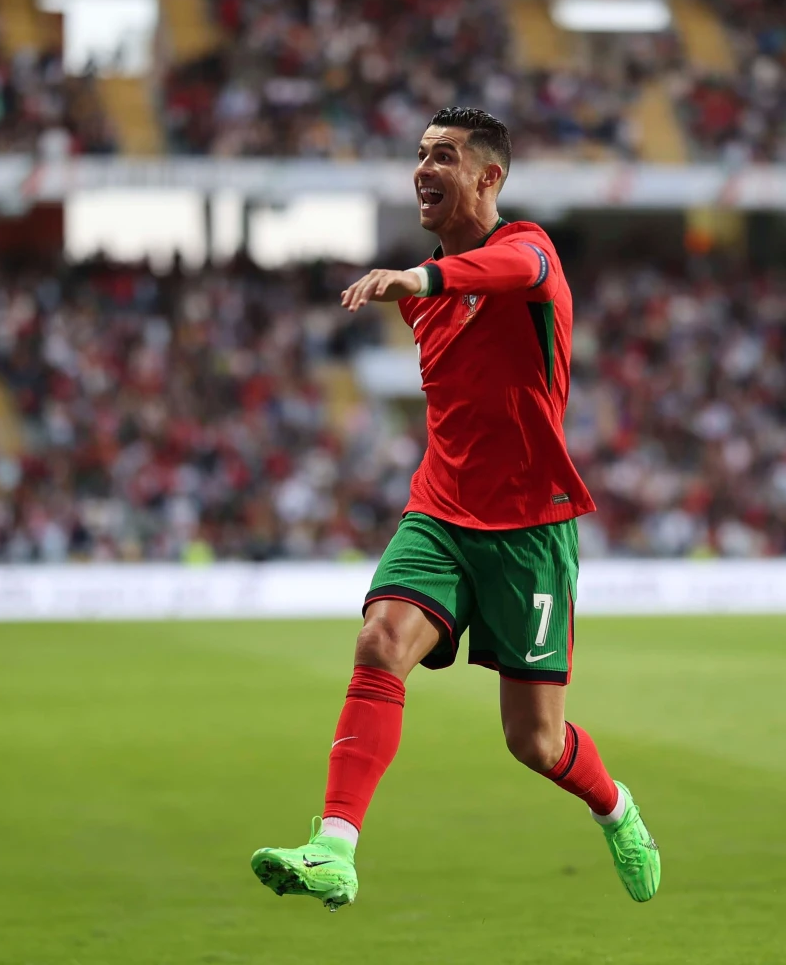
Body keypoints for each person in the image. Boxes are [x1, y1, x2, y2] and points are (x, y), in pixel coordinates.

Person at [250, 107, 661, 910]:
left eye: (443, 155)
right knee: (379, 642)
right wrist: (422, 283)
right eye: (419, 154)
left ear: (488, 176)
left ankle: (617, 808)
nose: (422, 168)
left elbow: (511, 270)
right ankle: (335, 849)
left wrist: (419, 277)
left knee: (534, 741)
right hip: (440, 512)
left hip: (530, 530)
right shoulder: (424, 299)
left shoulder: (530, 252)